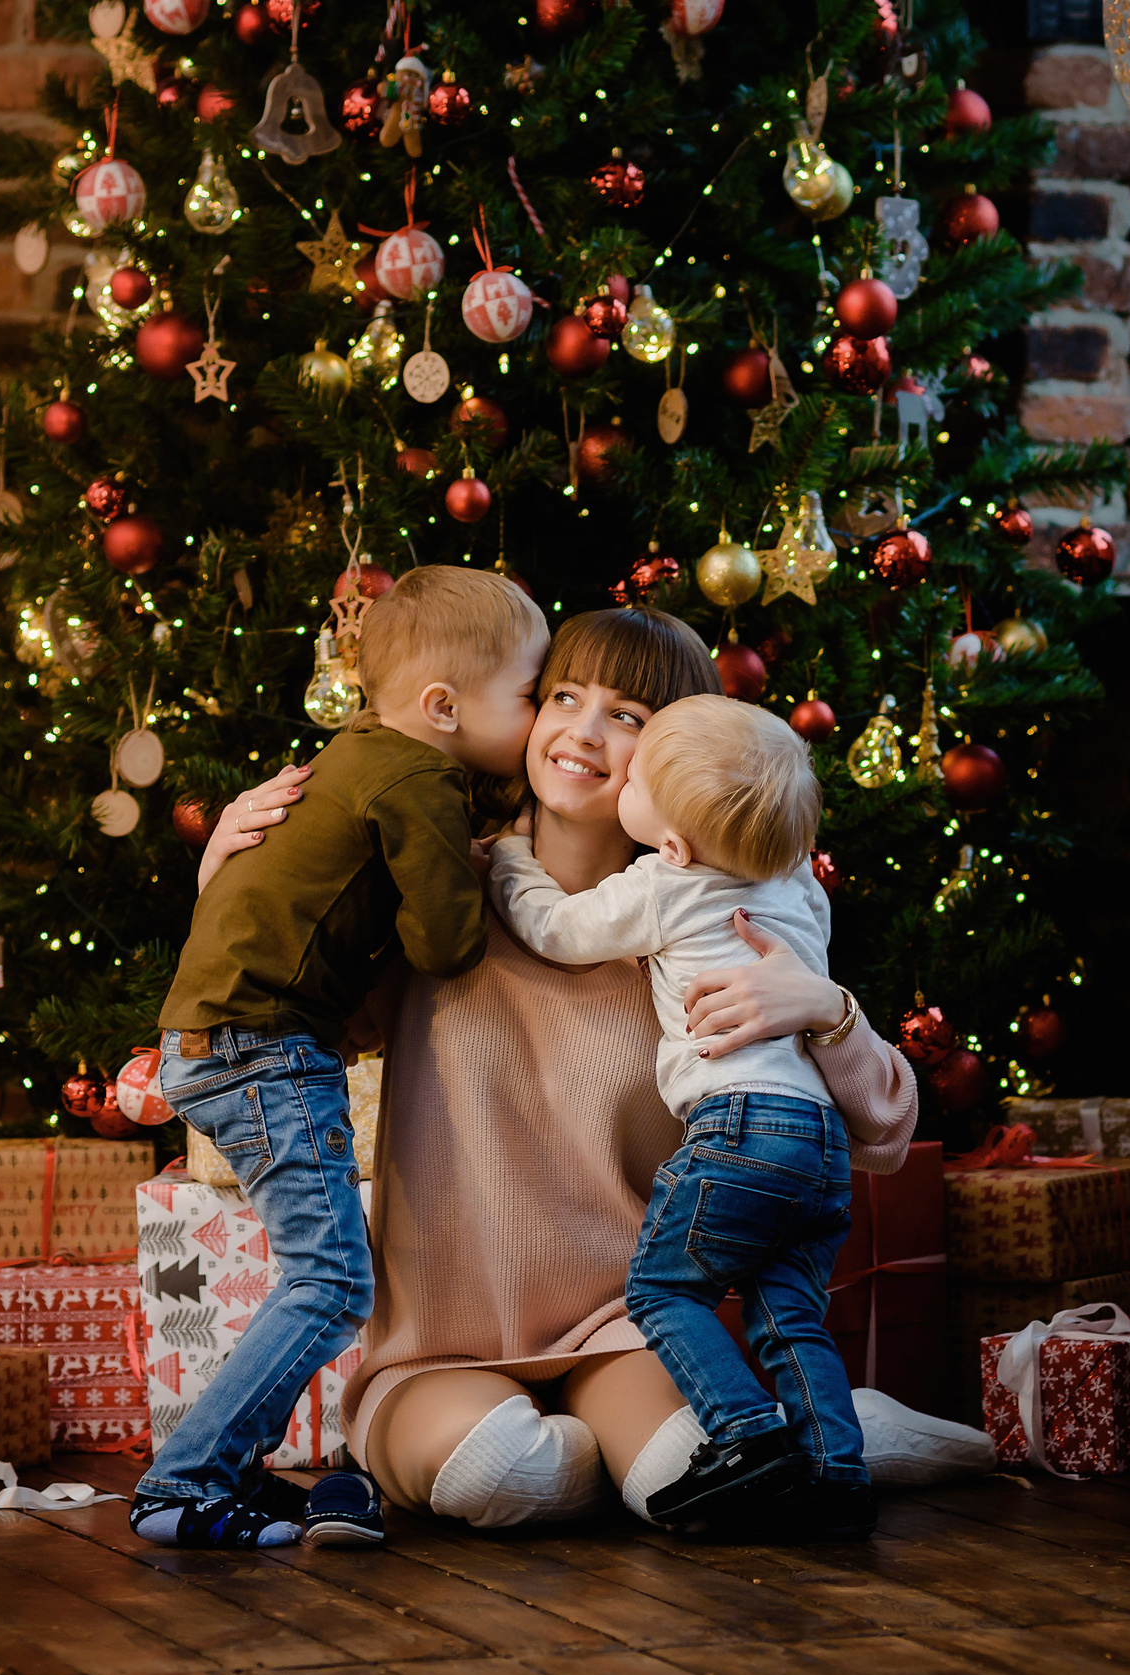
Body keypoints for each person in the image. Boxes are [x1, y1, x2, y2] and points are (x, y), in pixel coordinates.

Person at [193, 606, 979, 1544]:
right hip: (440, 1348)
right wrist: (224, 883)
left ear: (684, 752)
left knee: (685, 1477)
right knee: (507, 1469)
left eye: (630, 715)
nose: (583, 731)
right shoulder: (435, 892)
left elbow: (886, 1136)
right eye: (563, 695)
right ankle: (824, 1428)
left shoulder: (709, 928)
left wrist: (825, 1007)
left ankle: (824, 1440)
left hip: (624, 1326)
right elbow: (278, 1027)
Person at [134, 565, 547, 1551]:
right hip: (262, 1046)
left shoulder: (358, 753)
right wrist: (496, 856)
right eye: (529, 693)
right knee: (329, 1279)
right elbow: (446, 943)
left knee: (320, 1273)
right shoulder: (419, 776)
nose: (534, 717)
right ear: (442, 705)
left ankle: (224, 1465)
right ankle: (184, 1481)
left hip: (212, 1037)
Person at [489, 696, 867, 1535]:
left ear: (672, 843)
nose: (620, 769)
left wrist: (512, 855)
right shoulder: (800, 887)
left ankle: (745, 1433)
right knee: (788, 1311)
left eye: (638, 775)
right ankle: (836, 1470)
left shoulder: (665, 882)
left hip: (738, 1123)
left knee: (662, 1288)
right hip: (821, 1139)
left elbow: (552, 927)